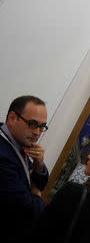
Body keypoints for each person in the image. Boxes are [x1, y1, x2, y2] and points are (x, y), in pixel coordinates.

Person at [0, 95, 49, 243]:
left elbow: (40, 183)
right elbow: (28, 211)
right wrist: (36, 193)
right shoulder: (3, 155)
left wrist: (38, 165)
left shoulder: (18, 145)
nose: (37, 132)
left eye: (42, 127)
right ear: (12, 118)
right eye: (32, 124)